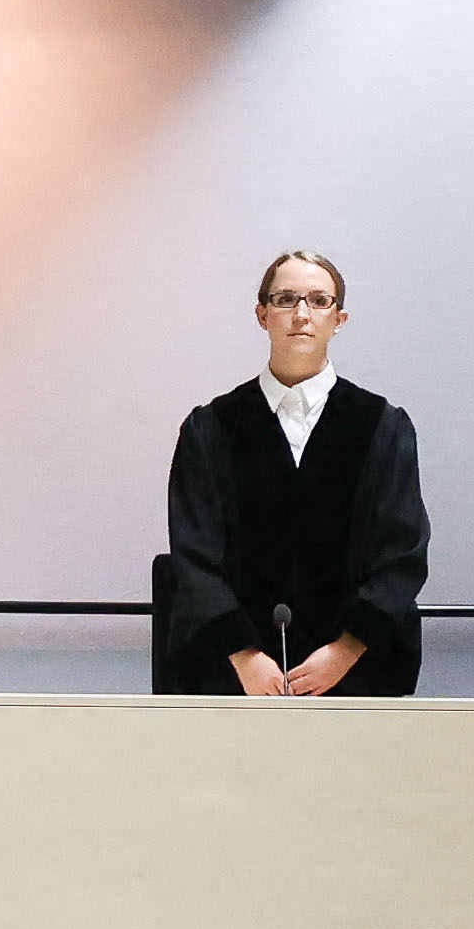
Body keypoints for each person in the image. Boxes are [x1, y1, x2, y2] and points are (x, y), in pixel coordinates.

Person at [157, 251, 427, 698]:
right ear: (262, 314)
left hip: (359, 674)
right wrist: (244, 654)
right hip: (231, 677)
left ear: (339, 318)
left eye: (319, 301)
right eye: (285, 300)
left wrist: (343, 651)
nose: (301, 314)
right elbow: (194, 555)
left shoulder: (383, 425)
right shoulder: (210, 427)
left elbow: (403, 553)